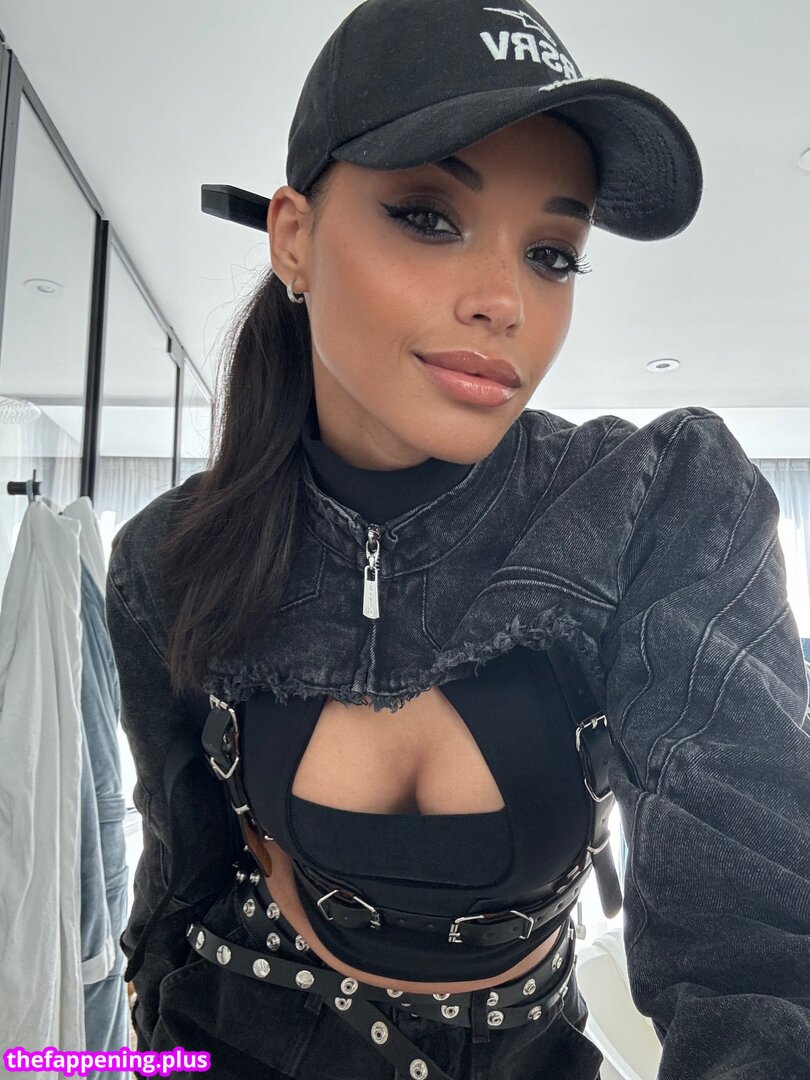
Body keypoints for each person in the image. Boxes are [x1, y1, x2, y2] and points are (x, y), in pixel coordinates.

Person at [105, 1, 810, 1078]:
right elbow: (177, 883)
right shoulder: (166, 559)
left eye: (552, 253)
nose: (504, 301)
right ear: (293, 238)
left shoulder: (659, 505)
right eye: (429, 217)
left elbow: (759, 949)